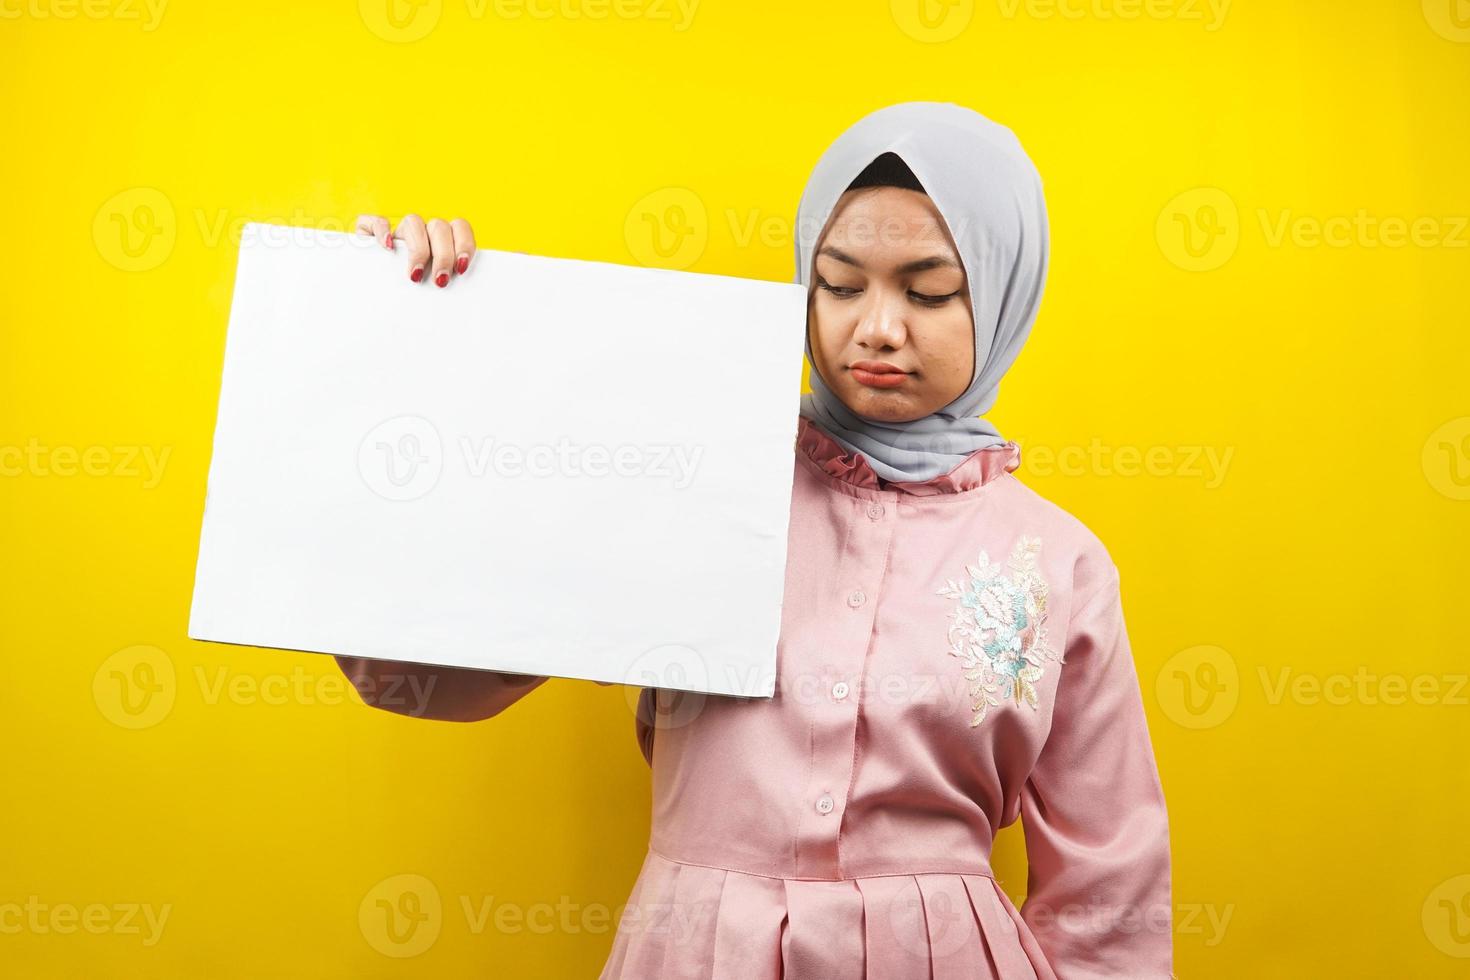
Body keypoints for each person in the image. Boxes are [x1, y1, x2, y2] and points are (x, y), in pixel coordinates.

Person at [336, 101, 1173, 979]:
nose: (877, 328)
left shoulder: (1058, 561)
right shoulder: (694, 481)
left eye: (929, 291)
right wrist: (407, 347)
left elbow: (1110, 884)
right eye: (841, 284)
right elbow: (426, 677)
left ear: (1005, 293)